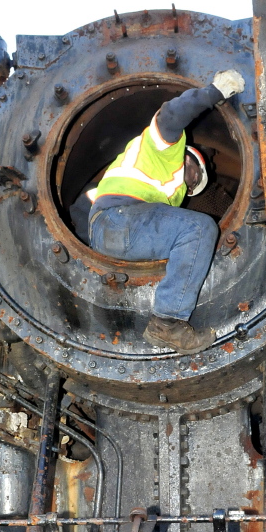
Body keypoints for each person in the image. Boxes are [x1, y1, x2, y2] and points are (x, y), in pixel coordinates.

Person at [87, 70, 245, 353]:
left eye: (195, 187)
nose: (193, 183)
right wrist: (214, 92)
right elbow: (171, 114)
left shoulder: (168, 197)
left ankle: (167, 318)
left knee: (188, 235)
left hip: (113, 233)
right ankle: (167, 324)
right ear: (191, 157)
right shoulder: (166, 149)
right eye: (196, 175)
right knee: (199, 228)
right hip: (117, 217)